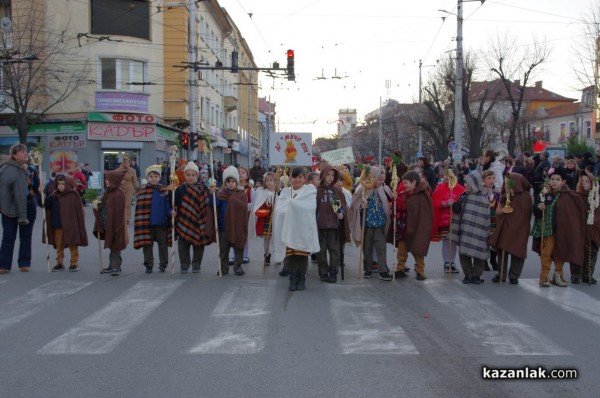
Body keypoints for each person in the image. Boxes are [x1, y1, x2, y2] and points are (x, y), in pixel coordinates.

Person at [531, 167, 586, 287]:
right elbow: (536, 208)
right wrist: (538, 206)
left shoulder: (568, 196)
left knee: (560, 253)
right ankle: (544, 276)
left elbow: (571, 214)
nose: (554, 181)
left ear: (563, 182)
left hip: (561, 231)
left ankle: (558, 275)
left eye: (557, 179)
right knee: (546, 253)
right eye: (552, 179)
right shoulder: (544, 194)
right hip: (547, 230)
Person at [272, 167, 320, 291]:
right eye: (294, 177)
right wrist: (292, 204)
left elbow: (310, 207)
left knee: (302, 256)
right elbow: (280, 210)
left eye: (300, 177)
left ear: (304, 178)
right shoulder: (286, 192)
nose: (297, 180)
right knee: (291, 256)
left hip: (304, 229)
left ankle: (301, 278)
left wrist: (293, 204)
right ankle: (292, 278)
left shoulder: (310, 190)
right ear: (290, 178)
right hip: (290, 230)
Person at [349, 166, 393, 280]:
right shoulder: (362, 189)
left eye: (383, 180)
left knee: (381, 248)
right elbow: (354, 206)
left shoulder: (384, 189)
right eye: (379, 179)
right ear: (372, 178)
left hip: (379, 225)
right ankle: (368, 269)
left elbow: (389, 201)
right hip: (367, 225)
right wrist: (360, 206)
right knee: (367, 248)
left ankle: (382, 270)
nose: (381, 182)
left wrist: (394, 198)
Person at [488, 173, 533, 284]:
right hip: (512, 226)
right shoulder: (509, 195)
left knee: (511, 250)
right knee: (508, 249)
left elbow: (525, 213)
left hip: (515, 227)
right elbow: (499, 211)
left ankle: (508, 275)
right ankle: (507, 275)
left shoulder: (522, 197)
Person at [0, 144, 35, 274]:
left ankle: (24, 263)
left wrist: (36, 190)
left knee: (26, 237)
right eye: (21, 152)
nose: (25, 153)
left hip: (28, 205)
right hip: (10, 208)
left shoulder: (29, 169)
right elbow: (4, 191)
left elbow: (33, 187)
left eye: (26, 151)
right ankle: (3, 264)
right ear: (14, 155)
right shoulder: (7, 169)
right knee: (8, 237)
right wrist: (5, 206)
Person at [393, 171, 433, 281]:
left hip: (416, 228)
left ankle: (420, 271)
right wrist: (396, 199)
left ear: (414, 182)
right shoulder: (404, 194)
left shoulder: (422, 194)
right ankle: (400, 268)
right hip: (404, 227)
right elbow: (401, 205)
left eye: (406, 183)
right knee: (401, 250)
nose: (404, 185)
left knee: (417, 251)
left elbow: (422, 211)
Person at [451, 169, 490, 285]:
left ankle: (476, 275)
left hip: (480, 230)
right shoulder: (464, 196)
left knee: (480, 253)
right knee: (464, 252)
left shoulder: (483, 198)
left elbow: (485, 215)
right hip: (465, 229)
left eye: (468, 183)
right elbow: (457, 210)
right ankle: (467, 274)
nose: (465, 185)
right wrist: (455, 205)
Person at [134, 165, 174, 273]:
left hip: (161, 224)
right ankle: (148, 264)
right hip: (147, 224)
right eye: (151, 176)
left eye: (156, 176)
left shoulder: (164, 191)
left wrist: (171, 212)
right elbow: (139, 211)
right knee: (147, 245)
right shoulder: (142, 193)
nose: (153, 178)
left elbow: (168, 206)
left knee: (163, 245)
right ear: (147, 178)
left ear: (159, 177)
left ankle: (163, 264)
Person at [44, 174, 88, 272]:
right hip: (58, 224)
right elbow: (45, 205)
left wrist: (79, 224)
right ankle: (59, 262)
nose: (60, 186)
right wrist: (40, 194)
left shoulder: (73, 195)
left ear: (67, 184)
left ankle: (74, 262)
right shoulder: (54, 195)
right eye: (58, 184)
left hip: (71, 225)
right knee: (59, 245)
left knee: (73, 244)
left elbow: (79, 212)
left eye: (63, 184)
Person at [210, 166, 249, 276]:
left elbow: (243, 211)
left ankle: (238, 267)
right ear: (225, 183)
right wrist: (211, 194)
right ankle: (223, 268)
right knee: (223, 250)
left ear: (236, 182)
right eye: (228, 181)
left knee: (238, 248)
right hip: (223, 227)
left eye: (233, 181)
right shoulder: (220, 195)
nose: (231, 184)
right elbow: (213, 205)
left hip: (237, 228)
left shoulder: (241, 195)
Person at [315, 163, 349, 283]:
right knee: (321, 251)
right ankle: (323, 272)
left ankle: (333, 271)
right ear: (323, 175)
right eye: (328, 174)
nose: (330, 177)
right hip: (320, 225)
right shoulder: (317, 191)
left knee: (334, 250)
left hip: (333, 226)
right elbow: (313, 208)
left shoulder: (336, 190)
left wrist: (341, 212)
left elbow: (342, 206)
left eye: (332, 175)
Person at [174, 162, 210, 273]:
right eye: (188, 175)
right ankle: (184, 264)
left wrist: (213, 192)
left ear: (197, 176)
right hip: (184, 220)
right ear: (185, 175)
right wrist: (171, 194)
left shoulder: (203, 189)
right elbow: (175, 203)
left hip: (198, 221)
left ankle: (196, 264)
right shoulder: (180, 189)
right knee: (183, 244)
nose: (190, 177)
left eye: (193, 175)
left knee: (198, 245)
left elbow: (207, 203)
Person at [431, 165, 466, 274]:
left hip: (456, 219)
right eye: (446, 174)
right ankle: (447, 261)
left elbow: (463, 202)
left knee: (453, 240)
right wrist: (445, 203)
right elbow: (435, 202)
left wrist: (456, 204)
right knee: (447, 241)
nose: (448, 177)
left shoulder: (460, 189)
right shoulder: (440, 187)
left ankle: (452, 261)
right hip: (444, 219)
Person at [94, 169, 128, 276]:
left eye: (108, 179)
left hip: (115, 225)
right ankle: (112, 265)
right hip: (107, 222)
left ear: (113, 180)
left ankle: (115, 266)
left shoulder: (118, 194)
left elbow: (118, 213)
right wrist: (97, 205)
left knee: (115, 246)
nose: (106, 181)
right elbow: (103, 205)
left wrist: (116, 227)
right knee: (112, 246)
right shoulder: (109, 193)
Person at [574, 170, 599, 284]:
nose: (584, 184)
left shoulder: (597, 198)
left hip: (593, 229)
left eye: (587, 181)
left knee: (592, 251)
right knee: (577, 251)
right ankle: (576, 274)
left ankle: (588, 274)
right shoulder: (577, 197)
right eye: (582, 181)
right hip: (580, 229)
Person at [252, 172, 277, 266]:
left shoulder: (278, 192)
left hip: (274, 218)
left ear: (275, 182)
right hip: (266, 219)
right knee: (266, 238)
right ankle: (266, 255)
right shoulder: (262, 192)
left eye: (271, 180)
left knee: (276, 237)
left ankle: (277, 254)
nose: (268, 182)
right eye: (267, 180)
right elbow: (258, 204)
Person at [119, 157, 138, 224]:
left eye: (128, 162)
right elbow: (114, 179)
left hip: (129, 189)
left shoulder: (132, 171)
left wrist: (136, 189)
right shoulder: (118, 170)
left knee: (127, 204)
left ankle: (127, 218)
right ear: (123, 163)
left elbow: (135, 181)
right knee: (121, 204)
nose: (127, 164)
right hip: (120, 188)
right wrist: (120, 182)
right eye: (126, 162)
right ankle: (120, 218)